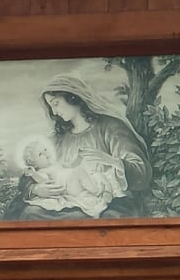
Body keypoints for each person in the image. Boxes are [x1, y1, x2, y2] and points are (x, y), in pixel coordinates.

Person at [15, 72, 152, 218]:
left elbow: (142, 173)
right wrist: (36, 189)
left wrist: (112, 161)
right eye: (51, 106)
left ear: (72, 97)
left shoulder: (111, 128)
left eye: (56, 103)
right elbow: (33, 170)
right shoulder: (58, 138)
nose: (54, 111)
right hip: (68, 201)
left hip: (109, 201)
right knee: (30, 213)